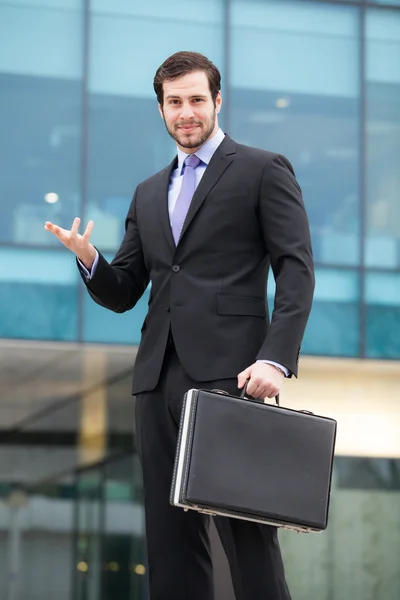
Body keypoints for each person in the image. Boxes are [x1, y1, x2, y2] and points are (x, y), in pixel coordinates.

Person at [45, 51, 315, 600]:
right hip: (156, 380)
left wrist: (275, 358)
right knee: (169, 540)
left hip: (232, 378)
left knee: (246, 533)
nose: (185, 111)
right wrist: (90, 260)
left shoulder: (264, 169)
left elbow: (296, 269)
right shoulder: (149, 191)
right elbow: (124, 291)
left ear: (218, 101)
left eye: (196, 99)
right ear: (162, 109)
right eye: (174, 102)